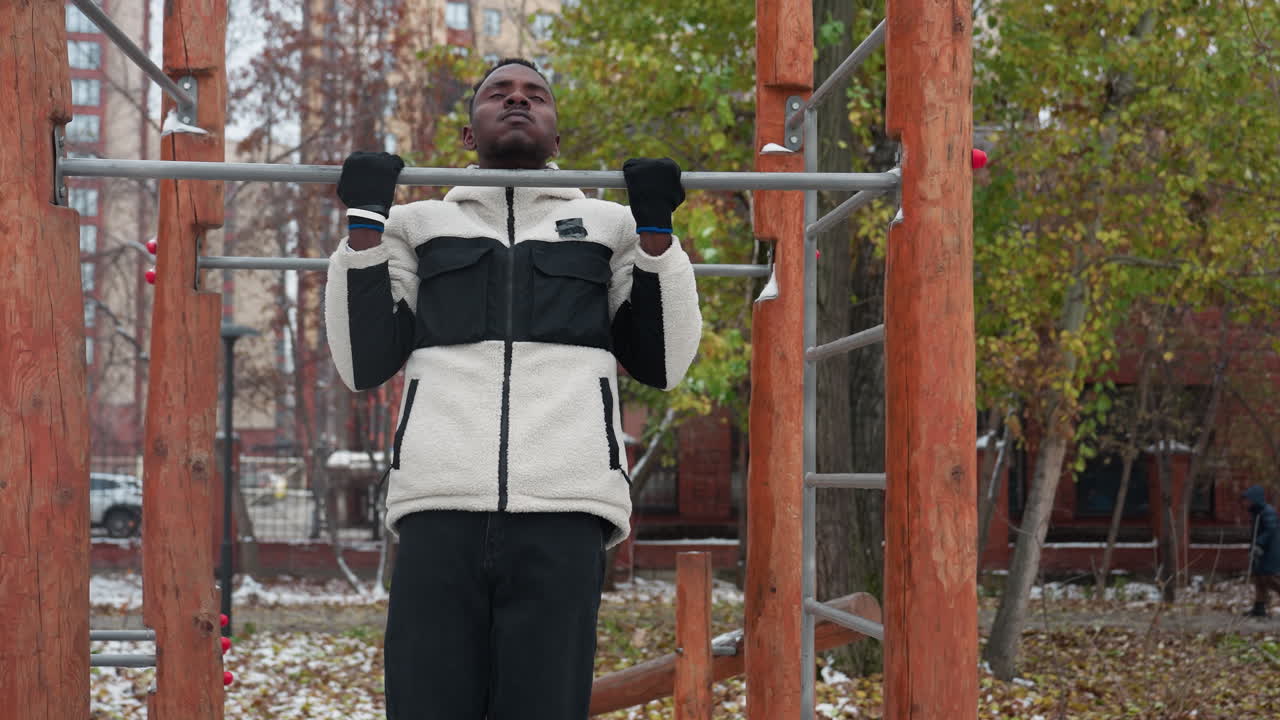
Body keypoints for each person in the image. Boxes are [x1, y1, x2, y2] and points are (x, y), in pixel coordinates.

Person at [323, 58, 702, 719]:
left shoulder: (610, 226)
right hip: (439, 506)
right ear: (469, 134)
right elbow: (363, 362)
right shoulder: (417, 226)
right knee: (426, 705)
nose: (518, 100)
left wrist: (656, 235)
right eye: (499, 93)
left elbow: (662, 361)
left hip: (566, 511)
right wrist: (363, 227)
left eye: (535, 95)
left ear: (557, 135)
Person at [1241, 485, 1280, 618]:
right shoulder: (1256, 512)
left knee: (1271, 578)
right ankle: (1259, 608)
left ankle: (1260, 607)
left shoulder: (1267, 512)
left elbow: (1270, 530)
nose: (1245, 503)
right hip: (1260, 552)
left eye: (1247, 499)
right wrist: (1253, 548)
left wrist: (1259, 544)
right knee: (1259, 579)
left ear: (1255, 499)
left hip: (1269, 552)